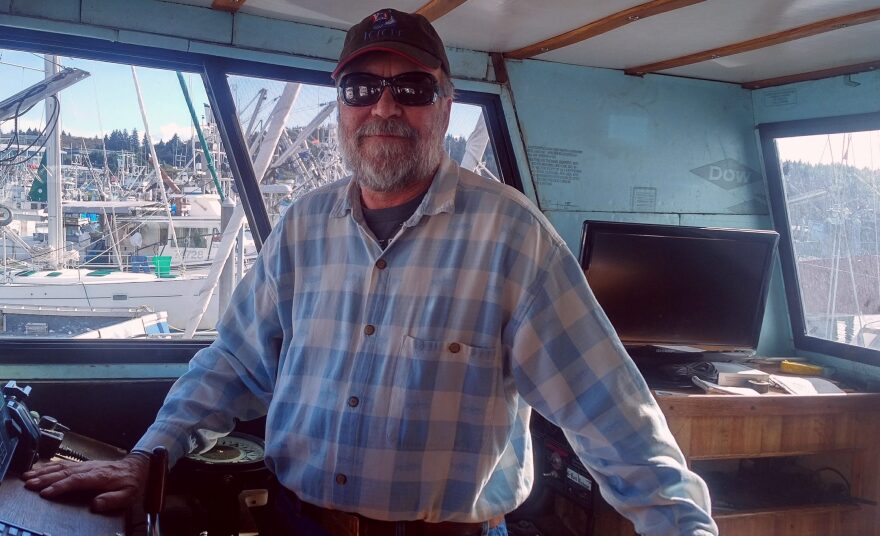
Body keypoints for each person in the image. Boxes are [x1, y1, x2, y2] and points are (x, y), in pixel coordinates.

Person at [23, 8, 717, 536]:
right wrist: (152, 458)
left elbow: (612, 412)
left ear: (445, 105)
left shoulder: (513, 239)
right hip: (296, 521)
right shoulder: (302, 227)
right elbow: (234, 363)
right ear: (341, 109)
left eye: (411, 87)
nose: (384, 106)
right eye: (361, 87)